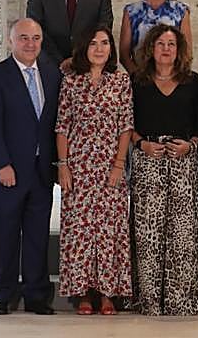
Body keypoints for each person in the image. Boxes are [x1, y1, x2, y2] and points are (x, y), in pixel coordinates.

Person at [0, 17, 61, 315]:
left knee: (38, 234)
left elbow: (53, 125)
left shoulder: (52, 75)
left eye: (36, 38)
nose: (30, 44)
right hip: (8, 170)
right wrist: (3, 163)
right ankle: (2, 294)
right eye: (23, 38)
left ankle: (37, 295)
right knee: (5, 233)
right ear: (10, 41)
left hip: (41, 170)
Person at [130, 24, 198, 316]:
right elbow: (128, 125)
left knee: (182, 233)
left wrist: (191, 144)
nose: (166, 49)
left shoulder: (193, 82)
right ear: (151, 48)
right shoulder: (136, 81)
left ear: (179, 50)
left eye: (172, 44)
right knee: (148, 231)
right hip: (147, 160)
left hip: (183, 161)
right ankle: (149, 299)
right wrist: (142, 145)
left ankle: (182, 298)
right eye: (161, 43)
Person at [55, 26, 133, 315]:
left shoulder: (120, 81)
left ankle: (107, 292)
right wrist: (63, 166)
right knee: (80, 232)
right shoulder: (71, 81)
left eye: (104, 43)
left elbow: (126, 126)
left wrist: (119, 165)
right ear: (83, 49)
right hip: (79, 167)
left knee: (109, 231)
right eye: (93, 44)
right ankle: (83, 293)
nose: (99, 49)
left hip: (110, 166)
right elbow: (62, 126)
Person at [119, 0, 191, 71]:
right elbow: (124, 54)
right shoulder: (131, 12)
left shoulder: (181, 11)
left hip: (173, 78)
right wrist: (137, 77)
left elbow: (187, 53)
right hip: (140, 79)